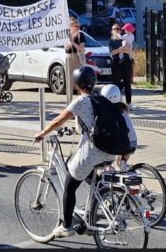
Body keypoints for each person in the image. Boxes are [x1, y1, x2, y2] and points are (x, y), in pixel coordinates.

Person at [33, 66, 116, 238]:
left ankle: (67, 226)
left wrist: (42, 134)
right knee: (87, 174)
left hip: (92, 151)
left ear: (77, 84)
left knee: (69, 186)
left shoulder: (80, 101)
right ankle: (97, 207)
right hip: (109, 150)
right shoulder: (100, 99)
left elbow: (58, 120)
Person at [100, 84, 137, 168]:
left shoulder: (108, 112)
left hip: (121, 144)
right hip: (133, 142)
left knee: (108, 159)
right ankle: (122, 167)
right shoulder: (123, 109)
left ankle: (112, 171)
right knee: (121, 165)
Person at [64, 17, 85, 99]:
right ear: (71, 27)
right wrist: (72, 39)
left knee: (79, 79)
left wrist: (73, 42)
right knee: (69, 80)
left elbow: (81, 48)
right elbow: (66, 48)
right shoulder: (66, 35)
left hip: (78, 57)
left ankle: (82, 98)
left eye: (78, 26)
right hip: (69, 57)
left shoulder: (81, 35)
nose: (78, 28)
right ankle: (69, 100)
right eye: (76, 26)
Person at [118, 23, 135, 105]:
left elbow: (121, 37)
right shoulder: (131, 36)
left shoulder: (127, 36)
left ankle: (128, 102)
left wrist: (117, 34)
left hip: (126, 56)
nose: (124, 31)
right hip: (128, 54)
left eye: (125, 29)